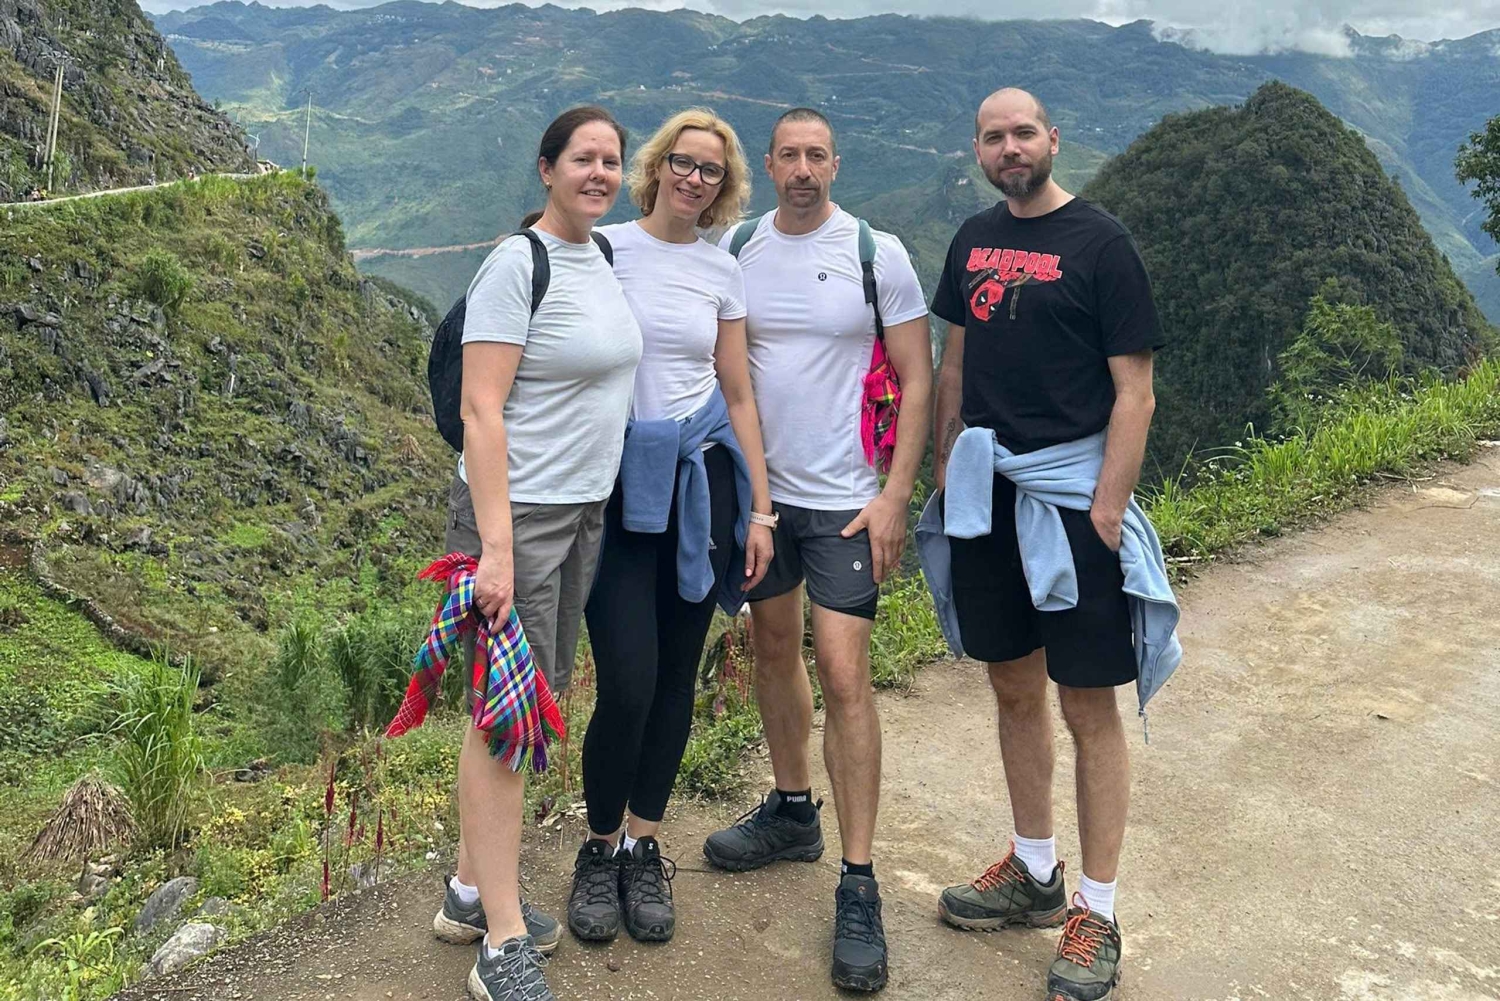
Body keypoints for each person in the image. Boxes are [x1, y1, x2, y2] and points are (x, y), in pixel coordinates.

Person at [923, 88, 1177, 1001]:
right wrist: (950, 465)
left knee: (1088, 705)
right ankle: (1035, 870)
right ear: (980, 149)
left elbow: (1134, 390)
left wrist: (1108, 511)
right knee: (1011, 683)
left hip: (1071, 501)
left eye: (1023, 132)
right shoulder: (971, 238)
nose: (1009, 147)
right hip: (989, 492)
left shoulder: (1101, 244)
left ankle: (1098, 910)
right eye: (993, 135)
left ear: (1052, 139)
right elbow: (957, 359)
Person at [701, 107, 933, 993]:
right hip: (766, 499)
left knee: (842, 671)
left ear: (837, 163)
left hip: (844, 502)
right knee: (770, 648)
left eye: (816, 156)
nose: (803, 169)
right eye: (789, 156)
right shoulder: (741, 248)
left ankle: (860, 880)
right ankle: (794, 808)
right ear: (769, 164)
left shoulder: (880, 253)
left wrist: (893, 497)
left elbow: (919, 377)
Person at [431, 105, 642, 1001]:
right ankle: (503, 945)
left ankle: (471, 894)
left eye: (612, 160)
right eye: (583, 159)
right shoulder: (519, 263)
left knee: (520, 707)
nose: (600, 172)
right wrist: (497, 549)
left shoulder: (599, 257)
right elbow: (483, 410)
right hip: (518, 520)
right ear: (546, 167)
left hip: (581, 515)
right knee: (504, 724)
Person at [566, 107, 777, 946]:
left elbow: (738, 393)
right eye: (683, 164)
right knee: (625, 682)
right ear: (656, 168)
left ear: (725, 188)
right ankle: (597, 846)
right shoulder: (606, 249)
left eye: (712, 172)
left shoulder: (723, 272)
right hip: (617, 492)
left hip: (699, 493)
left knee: (675, 679)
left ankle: (644, 849)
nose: (695, 180)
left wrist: (760, 508)